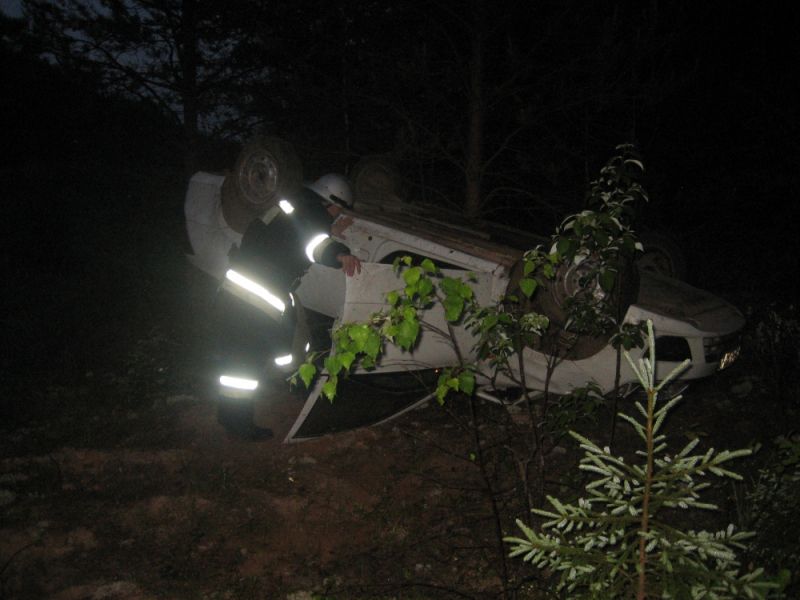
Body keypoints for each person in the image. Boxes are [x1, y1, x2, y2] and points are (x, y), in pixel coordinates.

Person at [185, 169, 361, 440]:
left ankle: (236, 411)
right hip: (256, 297)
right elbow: (315, 245)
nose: (339, 214)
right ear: (334, 203)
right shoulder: (313, 216)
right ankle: (239, 424)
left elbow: (288, 236)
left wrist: (331, 231)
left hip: (235, 287)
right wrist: (341, 254)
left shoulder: (290, 207)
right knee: (244, 364)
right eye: (340, 210)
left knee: (239, 357)